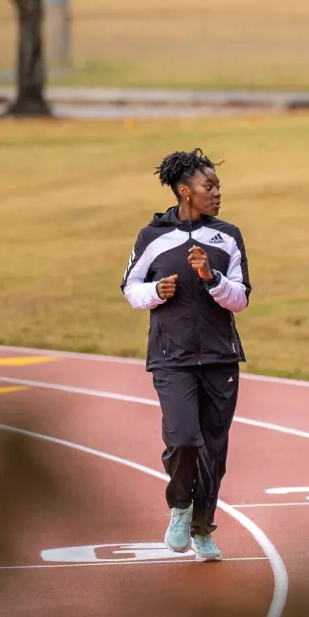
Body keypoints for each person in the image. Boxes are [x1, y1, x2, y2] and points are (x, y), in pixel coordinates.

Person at [120, 148, 251, 562]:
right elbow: (130, 287)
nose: (216, 193)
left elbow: (241, 298)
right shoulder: (152, 237)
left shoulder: (227, 235)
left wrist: (211, 279)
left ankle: (203, 527)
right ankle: (180, 507)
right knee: (183, 440)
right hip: (171, 357)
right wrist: (154, 293)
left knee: (214, 449)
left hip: (219, 358)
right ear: (184, 191)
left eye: (217, 186)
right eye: (207, 186)